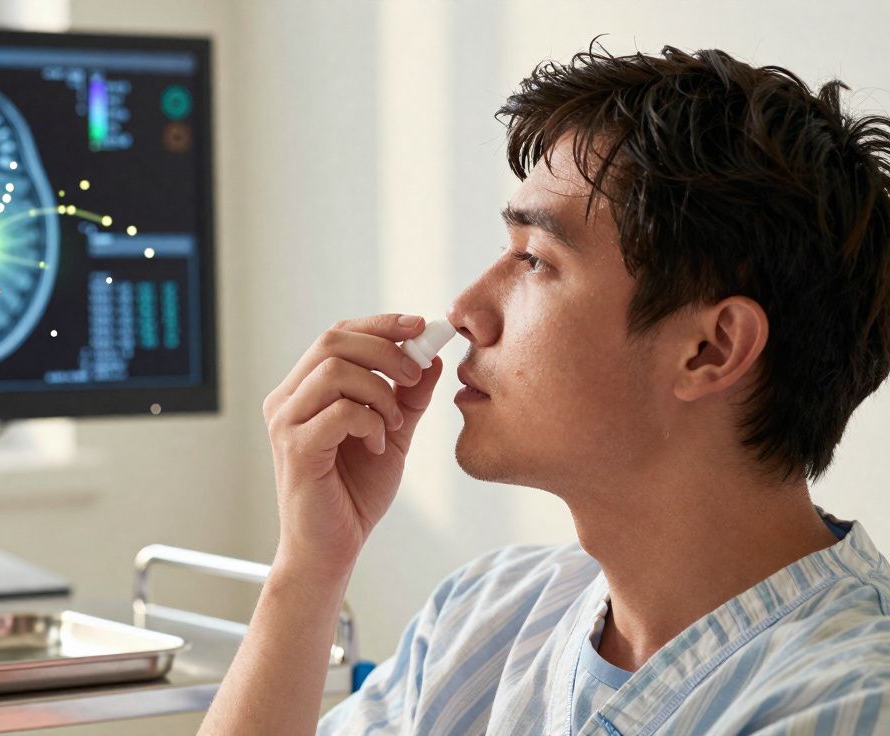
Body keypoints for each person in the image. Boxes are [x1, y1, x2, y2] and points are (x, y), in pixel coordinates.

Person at [199, 40, 890, 735]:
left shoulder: (845, 701)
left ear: (710, 349)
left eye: (533, 259)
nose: (468, 310)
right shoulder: (481, 617)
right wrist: (310, 569)